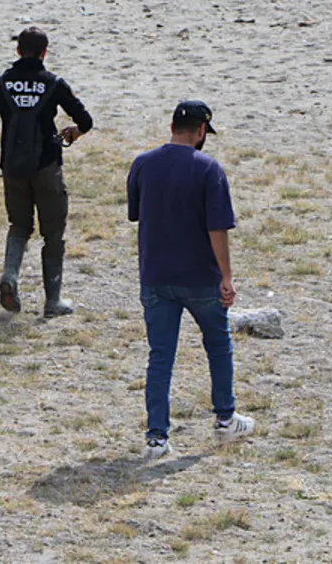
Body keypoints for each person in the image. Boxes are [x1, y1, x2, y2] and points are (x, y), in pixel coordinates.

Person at [126, 101, 254, 461]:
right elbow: (218, 228)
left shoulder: (143, 164)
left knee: (161, 356)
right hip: (199, 277)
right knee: (217, 344)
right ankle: (225, 417)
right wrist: (226, 275)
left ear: (172, 125)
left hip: (155, 275)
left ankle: (156, 437)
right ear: (201, 131)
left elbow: (136, 212)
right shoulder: (208, 170)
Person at [0, 27, 94, 317]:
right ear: (44, 52)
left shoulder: (2, 82)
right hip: (47, 167)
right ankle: (53, 301)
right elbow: (85, 119)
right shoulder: (53, 83)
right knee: (53, 233)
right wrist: (75, 132)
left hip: (12, 167)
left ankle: (10, 276)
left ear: (17, 51)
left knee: (19, 226)